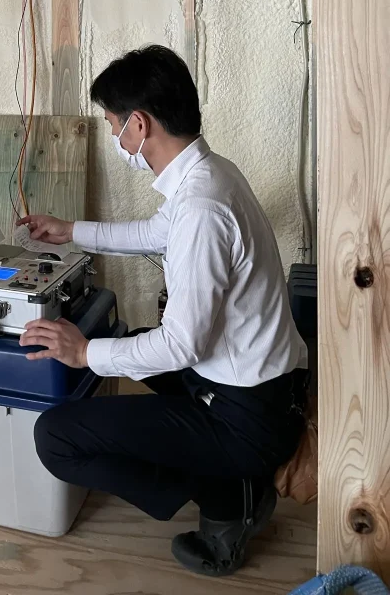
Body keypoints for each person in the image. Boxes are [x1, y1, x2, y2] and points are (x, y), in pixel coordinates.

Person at [18, 44, 308, 578]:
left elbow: (181, 345)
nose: (115, 138)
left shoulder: (202, 207)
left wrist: (84, 353)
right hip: (262, 386)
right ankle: (227, 474)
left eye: (113, 126)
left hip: (246, 417)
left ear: (139, 123)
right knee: (133, 341)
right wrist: (70, 230)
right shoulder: (210, 174)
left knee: (55, 438)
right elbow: (155, 232)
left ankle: (229, 495)